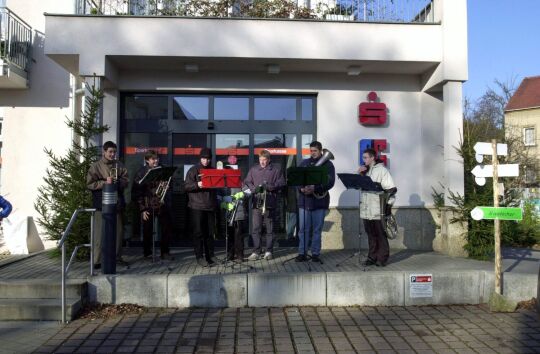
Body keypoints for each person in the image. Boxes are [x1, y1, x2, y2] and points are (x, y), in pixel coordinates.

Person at [86, 141, 129, 268]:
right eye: (110, 152)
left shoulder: (119, 165)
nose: (112, 154)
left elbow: (126, 181)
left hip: (116, 203)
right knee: (99, 233)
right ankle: (97, 260)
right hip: (101, 203)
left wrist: (118, 182)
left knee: (119, 232)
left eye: (114, 152)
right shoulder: (95, 166)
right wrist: (105, 182)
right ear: (103, 152)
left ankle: (117, 258)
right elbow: (89, 184)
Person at [296, 141, 335, 263]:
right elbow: (296, 180)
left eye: (315, 151)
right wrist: (301, 188)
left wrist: (315, 188)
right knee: (303, 229)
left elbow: (330, 182)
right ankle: (302, 253)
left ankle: (315, 254)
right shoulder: (304, 163)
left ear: (321, 151)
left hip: (319, 202)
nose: (312, 153)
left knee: (317, 230)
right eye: (311, 150)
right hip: (305, 201)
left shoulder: (328, 165)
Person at [243, 149, 285, 261]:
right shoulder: (253, 169)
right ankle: (256, 251)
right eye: (260, 159)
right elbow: (247, 182)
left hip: (270, 203)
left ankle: (269, 251)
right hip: (257, 203)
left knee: (269, 229)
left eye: (264, 160)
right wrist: (254, 189)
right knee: (256, 228)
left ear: (269, 160)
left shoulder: (275, 170)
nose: (262, 162)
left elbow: (282, 183)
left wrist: (271, 187)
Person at [132, 150, 174, 260]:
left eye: (157, 159)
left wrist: (168, 187)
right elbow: (137, 192)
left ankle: (165, 252)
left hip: (161, 204)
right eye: (153, 159)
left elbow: (170, 183)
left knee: (166, 228)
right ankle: (147, 253)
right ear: (147, 160)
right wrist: (142, 209)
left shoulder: (163, 169)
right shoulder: (141, 172)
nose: (156, 161)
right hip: (148, 205)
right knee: (147, 230)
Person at [358, 148, 396, 267]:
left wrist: (388, 206)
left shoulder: (382, 170)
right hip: (366, 208)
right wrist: (359, 174)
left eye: (366, 157)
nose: (364, 160)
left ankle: (382, 258)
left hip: (378, 209)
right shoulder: (365, 171)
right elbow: (360, 187)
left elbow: (391, 189)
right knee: (370, 234)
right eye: (363, 157)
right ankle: (372, 257)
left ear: (372, 157)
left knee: (380, 234)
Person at [184, 148, 218, 267]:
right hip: (196, 206)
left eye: (208, 159)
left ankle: (211, 256)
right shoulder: (193, 170)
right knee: (198, 233)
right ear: (200, 158)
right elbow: (186, 186)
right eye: (204, 158)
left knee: (209, 233)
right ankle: (199, 257)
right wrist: (197, 185)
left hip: (210, 205)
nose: (206, 161)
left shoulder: (213, 170)